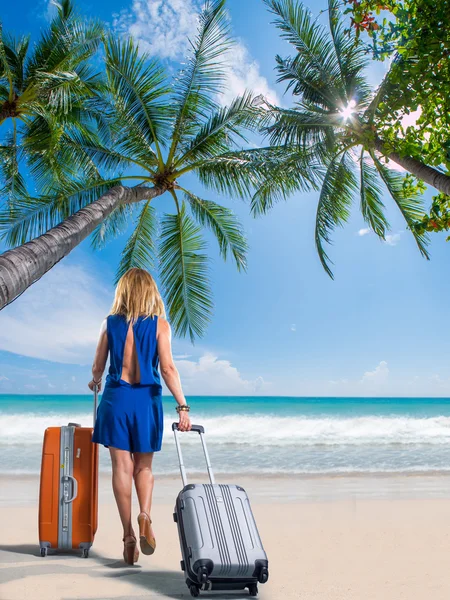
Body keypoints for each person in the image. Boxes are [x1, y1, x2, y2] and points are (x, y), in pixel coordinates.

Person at [89, 268, 191, 565]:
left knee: (122, 467)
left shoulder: (108, 325)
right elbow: (169, 369)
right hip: (146, 400)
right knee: (143, 468)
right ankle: (145, 514)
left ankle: (128, 537)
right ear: (150, 291)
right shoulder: (160, 325)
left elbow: (97, 367)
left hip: (116, 398)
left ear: (122, 291)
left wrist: (95, 381)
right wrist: (182, 406)